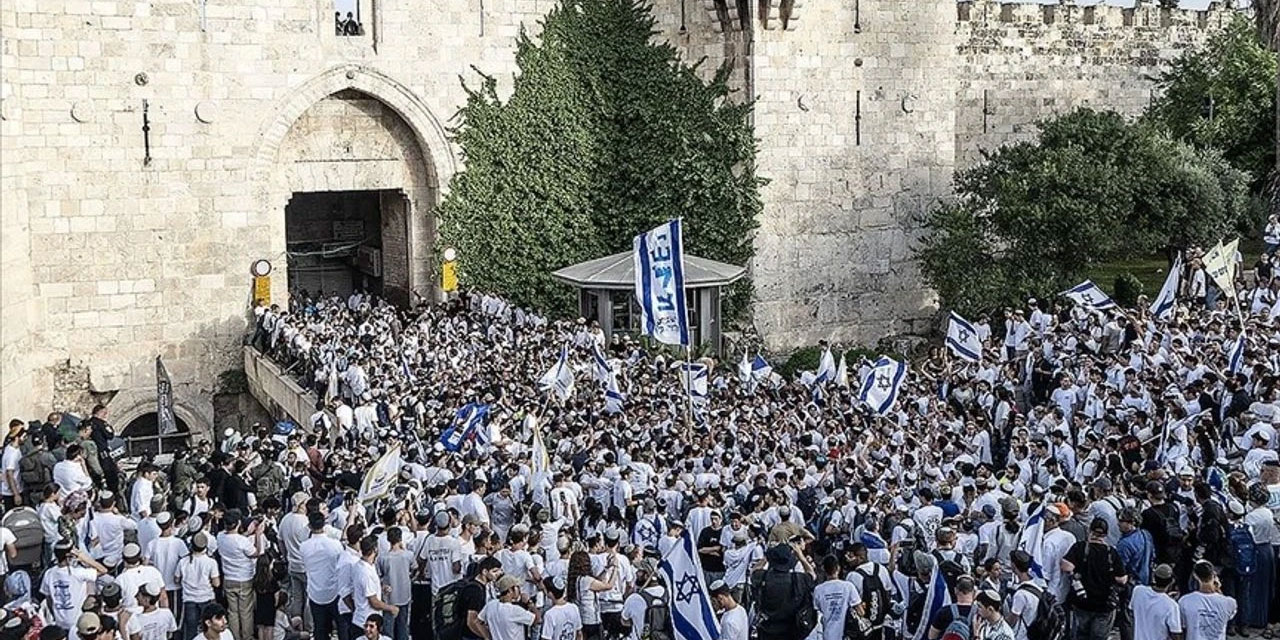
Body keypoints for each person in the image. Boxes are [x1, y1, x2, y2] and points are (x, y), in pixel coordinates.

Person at [1061, 519, 1128, 640]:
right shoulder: (1111, 553)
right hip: (1105, 605)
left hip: (1082, 602)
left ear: (1089, 530)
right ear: (1106, 535)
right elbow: (1122, 579)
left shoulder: (1080, 547)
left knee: (1080, 635)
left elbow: (1066, 566)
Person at [40, 539, 109, 630]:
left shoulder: (49, 573)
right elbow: (103, 570)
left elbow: (49, 599)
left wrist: (55, 614)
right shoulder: (77, 573)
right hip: (78, 622)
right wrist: (84, 558)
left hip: (59, 621)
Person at [299, 512, 341, 640]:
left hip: (315, 592)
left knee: (319, 627)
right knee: (340, 625)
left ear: (310, 526)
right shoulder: (335, 545)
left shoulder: (304, 547)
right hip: (333, 590)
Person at [176, 533, 220, 640]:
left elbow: (176, 579)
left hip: (189, 599)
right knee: (208, 628)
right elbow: (216, 583)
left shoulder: (183, 561)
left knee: (190, 629)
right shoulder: (211, 562)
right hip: (207, 597)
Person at [1178, 562, 1236, 640]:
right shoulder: (1229, 603)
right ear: (1214, 575)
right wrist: (1218, 589)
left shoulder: (1184, 601)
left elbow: (1182, 627)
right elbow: (1228, 615)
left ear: (1195, 576)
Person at [811, 555, 860, 640]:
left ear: (823, 569)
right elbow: (860, 611)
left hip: (826, 635)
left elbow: (816, 612)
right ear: (838, 568)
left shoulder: (818, 589)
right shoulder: (848, 586)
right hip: (847, 634)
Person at [1128, 564, 1181, 640]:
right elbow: (1176, 634)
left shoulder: (1138, 591)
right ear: (1172, 581)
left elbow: (1131, 612)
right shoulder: (1171, 605)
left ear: (1154, 577)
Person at [478, 575, 537, 640]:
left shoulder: (491, 605)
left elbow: (478, 621)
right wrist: (529, 602)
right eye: (517, 587)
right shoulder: (514, 610)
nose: (519, 590)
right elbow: (537, 620)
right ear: (510, 590)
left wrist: (487, 637)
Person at [540, 575, 583, 640]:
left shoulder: (550, 614)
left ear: (550, 593)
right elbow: (579, 633)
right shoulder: (574, 608)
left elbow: (546, 638)